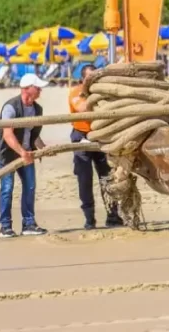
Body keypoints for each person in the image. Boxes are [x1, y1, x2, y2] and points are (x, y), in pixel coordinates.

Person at [0, 73, 50, 238]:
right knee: (7, 187)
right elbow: (8, 135)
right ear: (27, 89)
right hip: (7, 152)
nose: (40, 91)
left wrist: (42, 148)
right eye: (37, 88)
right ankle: (5, 226)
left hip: (26, 151)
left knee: (30, 186)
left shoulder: (37, 109)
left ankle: (29, 223)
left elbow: (32, 132)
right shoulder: (11, 107)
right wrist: (22, 153)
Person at [68, 64, 123, 229]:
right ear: (83, 79)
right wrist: (93, 94)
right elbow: (82, 108)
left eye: (96, 77)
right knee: (85, 180)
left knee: (106, 178)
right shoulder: (76, 92)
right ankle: (89, 219)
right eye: (90, 77)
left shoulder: (101, 92)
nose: (94, 80)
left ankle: (113, 216)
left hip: (102, 135)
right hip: (81, 136)